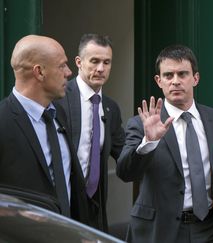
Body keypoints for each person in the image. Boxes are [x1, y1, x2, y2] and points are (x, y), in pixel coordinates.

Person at [116, 44, 213, 243]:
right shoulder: (141, 123)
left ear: (195, 78)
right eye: (168, 76)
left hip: (210, 227)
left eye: (182, 74)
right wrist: (149, 142)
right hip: (162, 230)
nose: (175, 81)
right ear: (159, 81)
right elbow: (125, 173)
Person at [0, 35, 89, 223]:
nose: (69, 72)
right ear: (39, 72)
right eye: (62, 65)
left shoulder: (59, 115)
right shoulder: (3, 120)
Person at [57, 33, 125, 232]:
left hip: (95, 208)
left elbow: (125, 158)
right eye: (94, 61)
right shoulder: (58, 98)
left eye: (106, 62)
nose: (101, 69)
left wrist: (148, 141)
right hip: (63, 204)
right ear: (79, 62)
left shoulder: (111, 107)